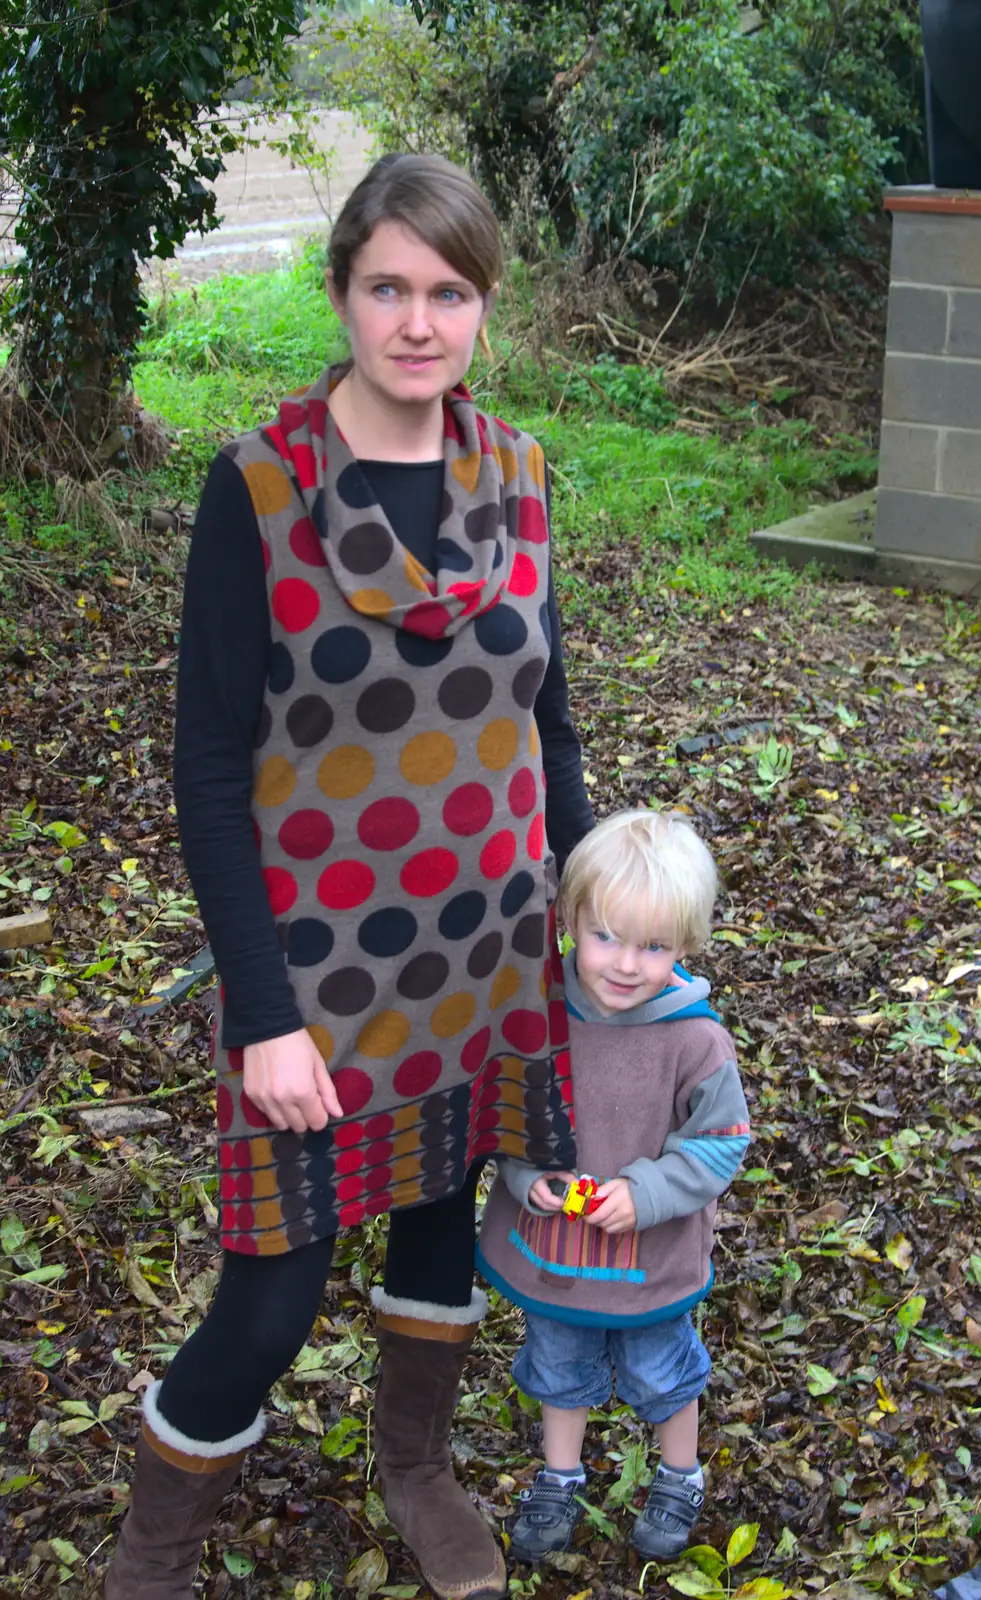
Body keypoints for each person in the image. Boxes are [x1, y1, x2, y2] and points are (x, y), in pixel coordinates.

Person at [103, 152, 593, 1600]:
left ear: (484, 310)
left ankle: (417, 1465)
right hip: (316, 981)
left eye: (449, 291)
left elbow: (547, 717)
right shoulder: (254, 492)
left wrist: (589, 908)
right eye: (388, 287)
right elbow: (205, 771)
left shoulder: (518, 476)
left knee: (445, 1225)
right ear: (341, 294)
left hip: (492, 957)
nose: (418, 322)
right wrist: (259, 1014)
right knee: (270, 1297)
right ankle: (149, 1551)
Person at [476, 810, 750, 1563]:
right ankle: (559, 1476)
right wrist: (528, 1175)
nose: (627, 963)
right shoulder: (537, 1013)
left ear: (686, 946)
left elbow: (720, 1143)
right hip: (554, 1253)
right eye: (606, 937)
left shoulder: (695, 1040)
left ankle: (677, 1472)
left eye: (654, 946)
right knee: (558, 1364)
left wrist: (650, 1192)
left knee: (661, 1367)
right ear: (567, 920)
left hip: (647, 1259)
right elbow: (503, 1108)